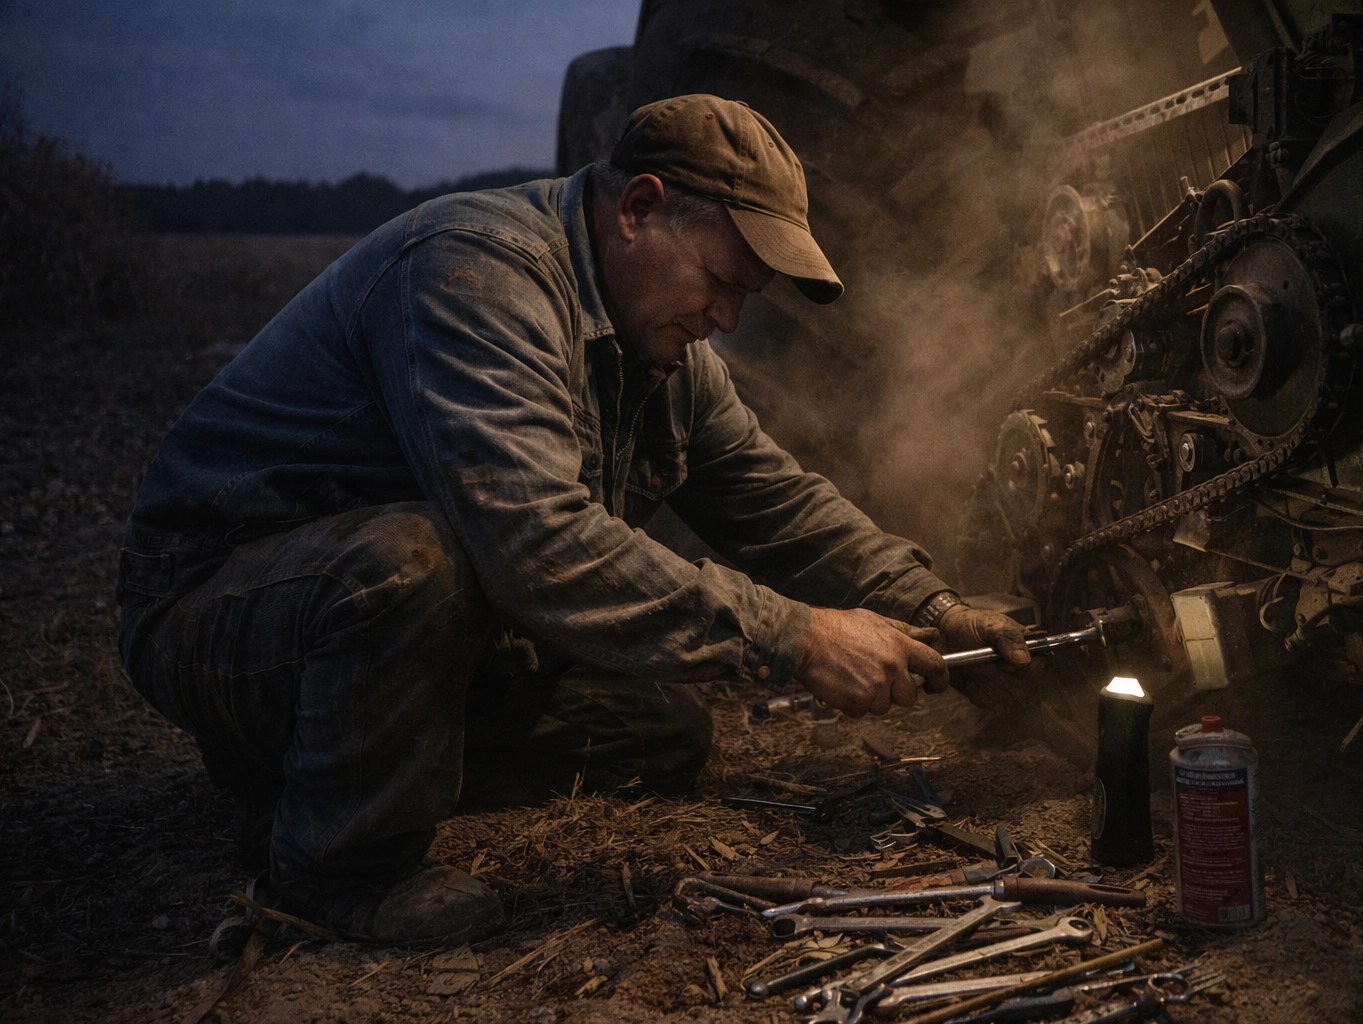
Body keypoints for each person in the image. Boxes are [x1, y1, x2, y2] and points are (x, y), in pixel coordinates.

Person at [116, 94, 1034, 948]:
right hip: (225, 608)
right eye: (722, 278)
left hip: (383, 625)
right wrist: (794, 635)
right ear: (639, 207)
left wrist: (936, 602)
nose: (729, 316)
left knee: (660, 731)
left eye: (747, 294)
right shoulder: (476, 272)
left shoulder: (663, 350)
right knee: (414, 563)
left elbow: (775, 501)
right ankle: (334, 869)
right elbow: (535, 545)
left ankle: (310, 771)